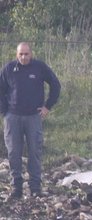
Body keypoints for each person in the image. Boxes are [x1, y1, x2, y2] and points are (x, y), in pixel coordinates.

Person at [0, 42, 61, 200]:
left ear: (31, 54)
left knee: (35, 152)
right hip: (12, 117)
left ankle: (35, 188)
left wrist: (47, 106)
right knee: (14, 153)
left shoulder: (39, 67)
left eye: (26, 54)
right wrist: (4, 112)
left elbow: (55, 85)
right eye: (21, 54)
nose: (24, 57)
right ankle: (17, 189)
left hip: (33, 117)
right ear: (16, 54)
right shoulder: (8, 69)